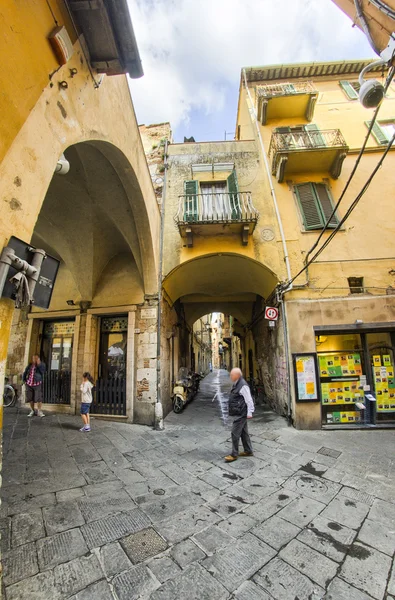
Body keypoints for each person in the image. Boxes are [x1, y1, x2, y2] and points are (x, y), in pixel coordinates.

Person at [225, 367, 254, 462]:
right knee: (243, 432)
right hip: (239, 411)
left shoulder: (243, 385)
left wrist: (250, 412)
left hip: (241, 412)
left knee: (235, 432)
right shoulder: (237, 383)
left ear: (237, 375)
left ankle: (234, 454)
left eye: (232, 375)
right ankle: (248, 450)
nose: (230, 376)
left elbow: (249, 400)